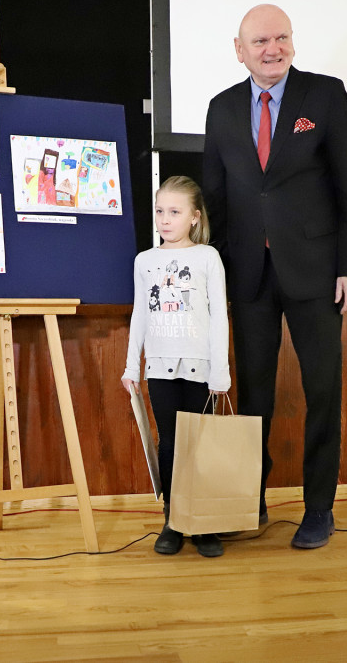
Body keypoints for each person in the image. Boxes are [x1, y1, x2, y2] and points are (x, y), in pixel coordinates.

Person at [203, 4, 347, 549]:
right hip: (248, 276)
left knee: (322, 390)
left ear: (292, 42)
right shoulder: (221, 109)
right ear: (239, 49)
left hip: (316, 274)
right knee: (254, 396)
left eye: (281, 38)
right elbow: (215, 199)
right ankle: (246, 501)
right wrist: (212, 275)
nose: (271, 49)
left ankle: (318, 507)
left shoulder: (323, 95)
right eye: (260, 42)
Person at [122, 176, 230, 558]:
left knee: (199, 446)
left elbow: (219, 316)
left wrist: (221, 370)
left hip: (201, 368)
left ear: (194, 217)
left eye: (174, 212)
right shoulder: (145, 261)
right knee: (169, 443)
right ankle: (173, 520)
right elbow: (139, 315)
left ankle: (203, 523)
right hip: (161, 367)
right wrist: (131, 365)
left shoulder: (207, 258)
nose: (165, 220)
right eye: (160, 211)